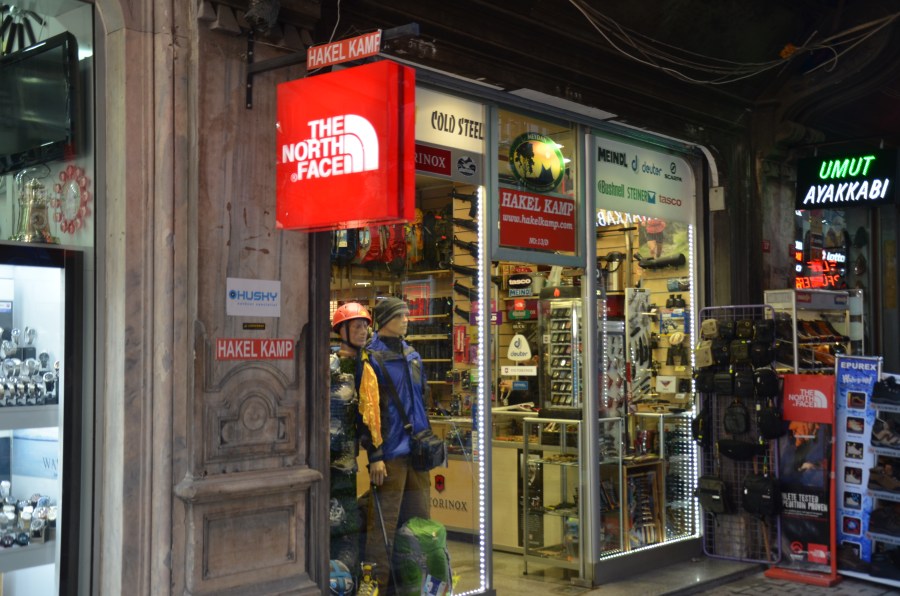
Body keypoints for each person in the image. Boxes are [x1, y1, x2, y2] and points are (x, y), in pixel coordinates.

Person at [361, 297, 432, 593]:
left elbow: (422, 399)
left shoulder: (412, 355)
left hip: (418, 452)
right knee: (383, 527)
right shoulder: (371, 358)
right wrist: (375, 454)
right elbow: (367, 411)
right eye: (400, 315)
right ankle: (375, 585)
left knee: (420, 523)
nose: (406, 320)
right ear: (386, 320)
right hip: (390, 453)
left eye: (406, 315)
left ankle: (417, 584)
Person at [329, 303, 382, 593]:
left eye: (365, 326)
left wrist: (376, 455)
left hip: (348, 462)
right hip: (323, 457)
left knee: (345, 521)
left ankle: (345, 581)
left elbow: (370, 415)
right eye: (357, 326)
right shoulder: (329, 365)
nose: (363, 331)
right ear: (343, 331)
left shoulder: (366, 368)